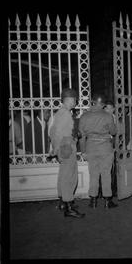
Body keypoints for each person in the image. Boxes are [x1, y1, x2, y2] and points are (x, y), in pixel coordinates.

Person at [49, 88, 85, 218]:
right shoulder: (64, 113)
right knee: (69, 177)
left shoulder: (62, 113)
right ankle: (68, 208)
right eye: (75, 99)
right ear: (69, 99)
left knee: (64, 175)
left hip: (65, 145)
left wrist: (56, 148)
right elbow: (56, 133)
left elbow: (55, 131)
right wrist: (57, 149)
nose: (76, 101)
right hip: (67, 147)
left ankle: (63, 202)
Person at [79, 93, 117, 209]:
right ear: (104, 104)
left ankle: (93, 200)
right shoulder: (108, 116)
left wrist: (83, 151)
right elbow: (113, 132)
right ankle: (107, 201)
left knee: (93, 174)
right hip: (105, 147)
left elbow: (81, 136)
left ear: (92, 102)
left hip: (90, 147)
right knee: (106, 174)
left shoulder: (84, 116)